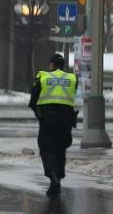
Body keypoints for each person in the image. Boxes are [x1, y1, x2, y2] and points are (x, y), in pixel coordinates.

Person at [29, 53, 78, 196]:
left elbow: (33, 100)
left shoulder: (43, 76)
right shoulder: (71, 78)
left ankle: (52, 175)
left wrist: (39, 116)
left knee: (46, 149)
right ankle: (57, 179)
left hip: (48, 119)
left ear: (52, 65)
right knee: (60, 149)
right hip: (66, 120)